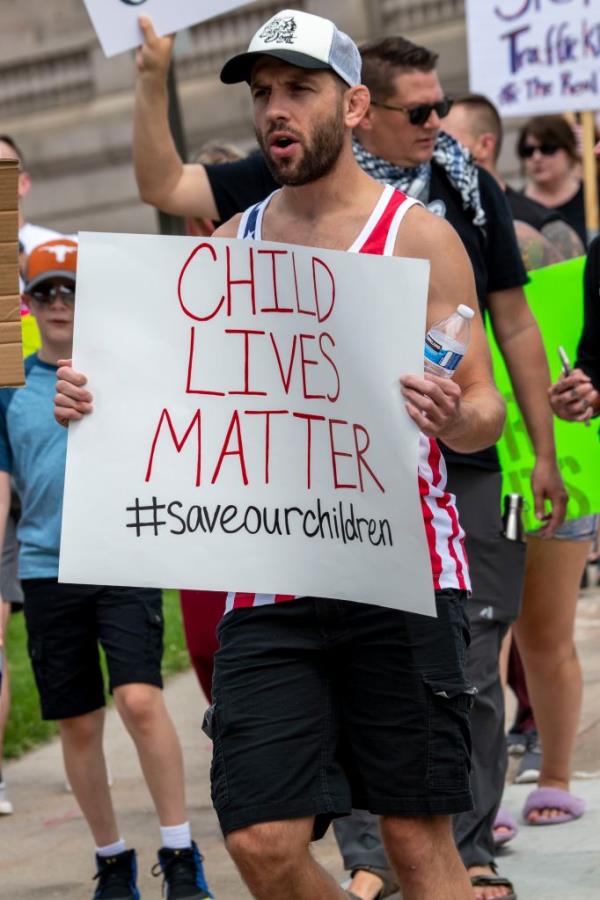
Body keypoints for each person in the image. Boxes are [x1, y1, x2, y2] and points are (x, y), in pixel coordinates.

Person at [56, 9, 508, 900]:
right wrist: (90, 399)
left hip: (400, 573)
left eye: (299, 89)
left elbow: (486, 410)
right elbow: (164, 397)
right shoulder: (230, 249)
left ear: (354, 104)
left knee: (416, 844)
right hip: (270, 579)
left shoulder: (416, 239)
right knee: (263, 840)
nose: (276, 110)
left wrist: (453, 414)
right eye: (263, 94)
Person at [0, 239, 212, 900]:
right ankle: (112, 859)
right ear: (29, 305)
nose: (60, 303)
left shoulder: (124, 369)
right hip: (45, 565)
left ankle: (180, 851)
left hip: (122, 553)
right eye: (47, 292)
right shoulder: (9, 390)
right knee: (78, 719)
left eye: (72, 291)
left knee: (139, 698)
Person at [445, 93, 593, 815]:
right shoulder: (411, 229)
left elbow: (578, 343)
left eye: (444, 136)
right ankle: (486, 793)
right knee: (479, 639)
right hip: (467, 464)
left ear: (480, 148)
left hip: (555, 460)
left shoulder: (540, 238)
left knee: (544, 632)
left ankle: (557, 777)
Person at [443, 94, 584, 268]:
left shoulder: (545, 227)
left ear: (485, 145)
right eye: (528, 150)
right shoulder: (435, 218)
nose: (433, 150)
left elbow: (566, 293)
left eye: (446, 140)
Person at [517, 115, 588, 248]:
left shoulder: (592, 198)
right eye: (528, 151)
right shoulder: (512, 207)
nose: (537, 157)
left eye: (548, 148)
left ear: (569, 150)